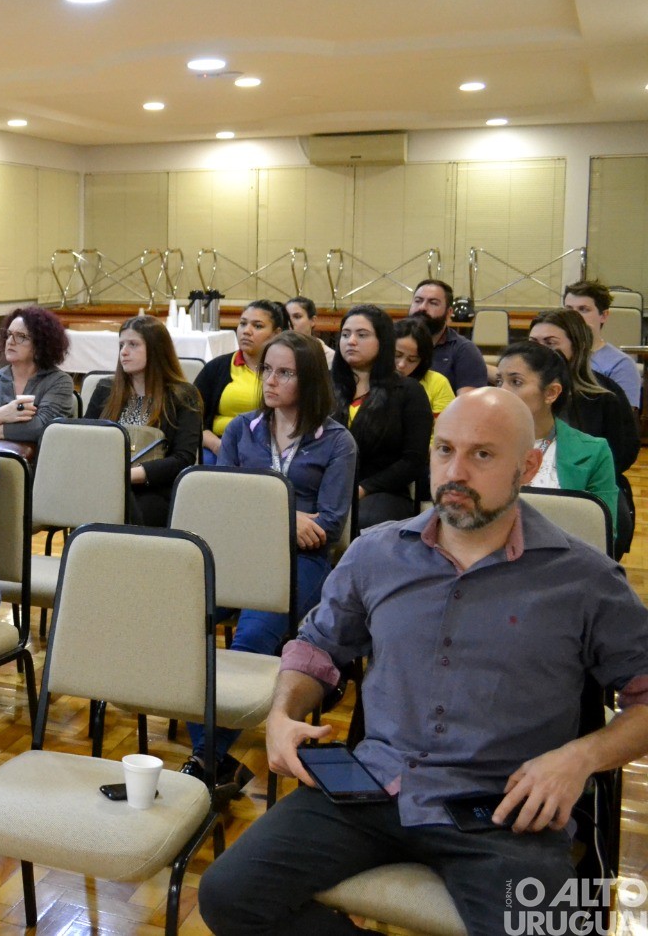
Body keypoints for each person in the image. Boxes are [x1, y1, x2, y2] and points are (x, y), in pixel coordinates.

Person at [197, 389, 648, 936]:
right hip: (375, 786)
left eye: (482, 455)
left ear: (527, 466)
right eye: (444, 450)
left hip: (506, 808)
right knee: (228, 896)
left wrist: (581, 758)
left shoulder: (583, 579)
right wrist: (282, 713)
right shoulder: (377, 552)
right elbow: (316, 648)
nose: (455, 471)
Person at [187, 330, 356, 787]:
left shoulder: (338, 442)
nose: (271, 381)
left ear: (310, 381)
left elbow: (330, 525)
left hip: (303, 563)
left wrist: (282, 519)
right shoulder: (243, 429)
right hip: (240, 551)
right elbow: (226, 502)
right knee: (184, 622)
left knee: (253, 635)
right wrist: (289, 517)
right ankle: (213, 762)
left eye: (285, 373)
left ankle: (206, 759)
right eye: (267, 370)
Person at [527, 308, 638, 552]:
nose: (539, 349)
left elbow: (624, 453)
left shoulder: (605, 397)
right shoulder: (517, 395)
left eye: (550, 342)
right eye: (533, 342)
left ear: (575, 347)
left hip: (586, 491)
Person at [84, 314, 204, 526]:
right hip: (105, 484)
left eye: (133, 344)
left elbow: (183, 458)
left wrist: (127, 476)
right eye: (121, 345)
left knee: (134, 509)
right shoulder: (105, 390)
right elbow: (87, 441)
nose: (124, 352)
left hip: (155, 487)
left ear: (156, 349)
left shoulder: (183, 395)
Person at [331, 305, 433, 530]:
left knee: (366, 521)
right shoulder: (324, 387)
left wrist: (363, 488)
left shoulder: (408, 391)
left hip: (383, 491)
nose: (351, 341)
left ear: (383, 341)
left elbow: (413, 461)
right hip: (327, 486)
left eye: (362, 335)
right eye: (346, 334)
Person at [491, 342, 616, 517]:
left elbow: (604, 530)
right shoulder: (477, 442)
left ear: (551, 393)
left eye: (516, 382)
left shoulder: (594, 452)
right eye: (499, 381)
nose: (501, 391)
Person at [0, 305, 75, 455]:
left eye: (21, 336)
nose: (10, 341)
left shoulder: (59, 382)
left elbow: (43, 427)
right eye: (9, 334)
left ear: (40, 344)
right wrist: (3, 414)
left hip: (40, 466)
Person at [195, 300, 289, 464]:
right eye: (243, 324)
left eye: (257, 326)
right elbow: (190, 419)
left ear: (276, 333)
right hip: (217, 446)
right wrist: (215, 444)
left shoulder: (286, 372)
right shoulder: (217, 367)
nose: (246, 331)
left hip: (270, 451)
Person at [563, 278, 642, 409]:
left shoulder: (619, 364)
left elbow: (624, 421)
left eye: (583, 309)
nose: (574, 316)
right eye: (569, 309)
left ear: (603, 315)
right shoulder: (557, 355)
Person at [407, 279, 487, 394]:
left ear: (449, 312)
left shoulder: (464, 350)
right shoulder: (392, 341)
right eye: (418, 301)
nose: (422, 307)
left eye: (433, 303)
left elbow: (469, 406)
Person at [394, 315, 455, 417]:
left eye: (412, 360)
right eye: (396, 355)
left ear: (422, 361)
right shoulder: (367, 375)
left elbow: (447, 429)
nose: (401, 365)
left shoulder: (437, 383)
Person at [285, 296, 334, 365]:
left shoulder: (328, 356)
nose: (290, 322)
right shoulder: (277, 353)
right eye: (287, 318)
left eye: (297, 317)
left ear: (313, 321)